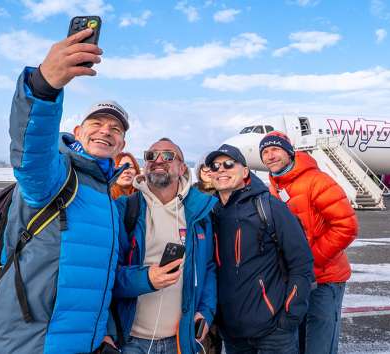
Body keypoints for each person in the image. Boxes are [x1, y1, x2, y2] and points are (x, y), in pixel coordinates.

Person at [0, 28, 128, 353]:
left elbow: (97, 277)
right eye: (97, 123)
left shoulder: (107, 198)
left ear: (122, 144)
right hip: (28, 343)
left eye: (116, 129)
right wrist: (43, 88)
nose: (106, 130)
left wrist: (102, 333)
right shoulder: (56, 174)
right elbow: (30, 151)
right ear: (78, 131)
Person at [111, 138, 217, 354]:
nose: (158, 160)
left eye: (168, 156)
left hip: (180, 340)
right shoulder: (123, 209)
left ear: (182, 168)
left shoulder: (199, 212)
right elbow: (107, 274)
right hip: (130, 342)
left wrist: (206, 311)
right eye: (151, 155)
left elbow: (208, 267)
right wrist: (146, 279)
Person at [207, 144, 314, 354]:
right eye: (215, 165)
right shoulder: (211, 213)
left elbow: (301, 264)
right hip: (233, 334)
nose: (221, 170)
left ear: (245, 171)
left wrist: (289, 317)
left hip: (273, 333)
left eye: (229, 164)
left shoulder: (269, 207)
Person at [259, 131, 358, 354]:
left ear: (289, 152)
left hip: (324, 279)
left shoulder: (316, 180)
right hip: (297, 280)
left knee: (319, 344)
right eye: (265, 152)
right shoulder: (275, 186)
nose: (270, 156)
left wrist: (310, 262)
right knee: (299, 343)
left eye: (275, 149)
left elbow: (346, 226)